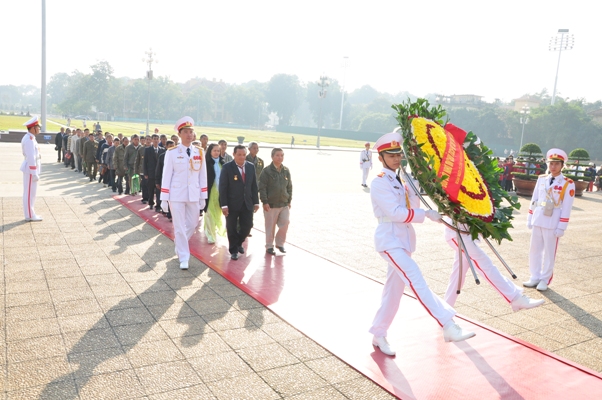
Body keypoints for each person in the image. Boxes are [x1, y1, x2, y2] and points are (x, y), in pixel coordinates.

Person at [368, 132, 475, 357]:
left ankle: (379, 332)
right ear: (381, 158)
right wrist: (425, 213)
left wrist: (414, 182)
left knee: (393, 292)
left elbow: (412, 204)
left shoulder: (400, 179)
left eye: (399, 154)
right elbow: (396, 213)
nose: (397, 159)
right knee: (415, 278)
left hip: (403, 241)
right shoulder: (379, 181)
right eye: (391, 155)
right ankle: (448, 324)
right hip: (389, 239)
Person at [442, 217, 544, 311]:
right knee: (485, 264)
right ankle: (515, 298)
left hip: (465, 232)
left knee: (458, 275)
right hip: (457, 234)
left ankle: (445, 310)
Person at [524, 148, 576, 291]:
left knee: (549, 252)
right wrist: (529, 217)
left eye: (556, 164)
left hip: (553, 221)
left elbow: (567, 206)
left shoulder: (567, 183)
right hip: (538, 218)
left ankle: (545, 279)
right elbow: (534, 200)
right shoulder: (542, 179)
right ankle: (534, 276)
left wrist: (562, 226)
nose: (553, 167)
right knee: (534, 249)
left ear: (562, 165)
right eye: (551, 163)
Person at [160, 116, 208, 270]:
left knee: (193, 224)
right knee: (179, 226)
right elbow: (166, 176)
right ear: (180, 134)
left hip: (193, 194)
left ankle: (179, 244)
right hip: (177, 195)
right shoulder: (172, 152)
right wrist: (164, 198)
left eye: (191, 132)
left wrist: (203, 196)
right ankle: (184, 257)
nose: (189, 135)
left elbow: (202, 175)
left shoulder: (199, 152)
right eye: (186, 132)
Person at [219, 145, 259, 260]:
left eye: (244, 155)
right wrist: (224, 205)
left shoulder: (250, 167)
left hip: (247, 203)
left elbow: (254, 186)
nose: (242, 157)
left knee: (248, 226)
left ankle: (239, 242)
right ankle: (233, 250)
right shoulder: (227, 167)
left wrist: (256, 202)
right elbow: (223, 187)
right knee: (231, 227)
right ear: (234, 154)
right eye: (239, 154)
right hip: (232, 204)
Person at [258, 148, 292, 255]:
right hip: (271, 205)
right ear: (272, 157)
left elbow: (289, 187)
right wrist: (265, 202)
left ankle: (280, 243)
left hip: (284, 203)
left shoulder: (286, 170)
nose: (280, 157)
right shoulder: (266, 171)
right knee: (270, 226)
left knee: (285, 222)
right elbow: (262, 187)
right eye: (277, 155)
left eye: (282, 155)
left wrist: (289, 200)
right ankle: (269, 246)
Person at [20, 117, 43, 221]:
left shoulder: (31, 138)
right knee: (29, 193)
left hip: (30, 169)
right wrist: (34, 172)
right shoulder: (29, 140)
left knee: (30, 193)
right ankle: (29, 215)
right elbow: (31, 157)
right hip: (30, 170)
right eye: (38, 127)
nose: (39, 129)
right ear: (33, 128)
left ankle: (30, 213)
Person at [203, 143, 226, 244]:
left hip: (220, 193)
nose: (216, 153)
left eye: (218, 151)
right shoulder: (205, 163)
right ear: (210, 151)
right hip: (209, 192)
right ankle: (211, 235)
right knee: (209, 214)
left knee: (217, 213)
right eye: (214, 151)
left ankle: (212, 230)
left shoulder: (223, 163)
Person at [144, 134, 165, 211]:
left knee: (159, 189)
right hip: (151, 173)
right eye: (154, 139)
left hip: (159, 174)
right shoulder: (147, 150)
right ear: (152, 140)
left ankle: (158, 205)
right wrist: (145, 173)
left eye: (157, 139)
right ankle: (151, 202)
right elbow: (145, 162)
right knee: (150, 189)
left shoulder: (162, 150)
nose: (156, 140)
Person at [156, 140, 175, 220]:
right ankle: (165, 210)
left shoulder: (177, 156)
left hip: (174, 182)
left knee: (172, 199)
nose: (171, 148)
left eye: (173, 146)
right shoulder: (162, 156)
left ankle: (170, 214)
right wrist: (157, 182)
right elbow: (158, 170)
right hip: (164, 180)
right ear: (166, 146)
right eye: (170, 146)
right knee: (165, 197)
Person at [136, 136, 150, 202]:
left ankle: (150, 197)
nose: (148, 141)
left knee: (150, 185)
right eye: (147, 139)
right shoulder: (141, 149)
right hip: (142, 170)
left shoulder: (153, 148)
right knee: (144, 184)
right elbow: (137, 160)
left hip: (151, 170)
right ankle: (145, 198)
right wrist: (136, 170)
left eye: (149, 139)